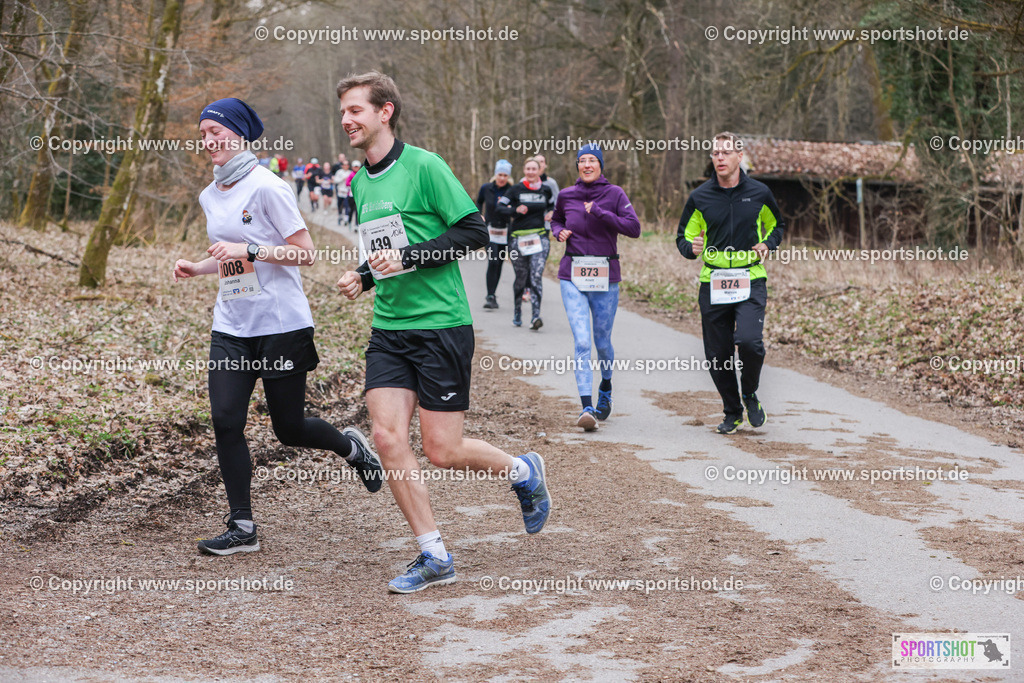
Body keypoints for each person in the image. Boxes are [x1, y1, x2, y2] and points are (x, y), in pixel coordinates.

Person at [333, 71, 551, 593]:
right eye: (342, 112)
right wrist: (362, 276)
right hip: (389, 327)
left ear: (385, 112)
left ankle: (523, 473)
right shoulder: (360, 181)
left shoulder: (424, 166)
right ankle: (433, 554)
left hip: (440, 325)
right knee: (386, 437)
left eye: (355, 111)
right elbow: (386, 250)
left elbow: (472, 230)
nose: (346, 120)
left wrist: (405, 257)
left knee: (442, 450)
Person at [172, 97, 383, 555]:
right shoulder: (210, 193)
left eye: (216, 132)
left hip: (281, 323)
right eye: (203, 133)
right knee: (226, 421)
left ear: (240, 135)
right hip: (232, 324)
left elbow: (305, 252)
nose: (208, 140)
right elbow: (227, 255)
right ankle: (242, 526)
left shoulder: (268, 186)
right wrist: (199, 266)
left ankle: (352, 449)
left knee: (288, 428)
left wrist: (251, 250)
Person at [676, 132, 784, 434]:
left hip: (750, 278)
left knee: (749, 342)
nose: (720, 158)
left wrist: (767, 244)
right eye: (715, 153)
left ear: (739, 156)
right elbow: (683, 237)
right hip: (714, 281)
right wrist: (691, 248)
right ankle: (732, 410)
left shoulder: (760, 193)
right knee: (717, 355)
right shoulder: (700, 197)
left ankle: (749, 393)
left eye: (726, 152)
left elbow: (777, 225)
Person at [551, 144, 640, 432]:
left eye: (592, 160)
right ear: (577, 166)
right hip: (572, 274)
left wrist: (601, 213)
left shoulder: (614, 194)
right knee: (582, 342)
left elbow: (634, 228)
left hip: (606, 276)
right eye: (582, 161)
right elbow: (556, 219)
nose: (587, 165)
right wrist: (558, 232)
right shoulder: (566, 195)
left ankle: (607, 387)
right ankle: (586, 406)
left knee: (602, 342)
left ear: (601, 165)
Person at [498, 157, 554, 329]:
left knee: (536, 276)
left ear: (539, 171)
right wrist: (515, 210)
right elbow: (499, 208)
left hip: (539, 237)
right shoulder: (515, 190)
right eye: (528, 168)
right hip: (518, 239)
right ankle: (517, 311)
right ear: (524, 170)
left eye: (534, 169)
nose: (531, 172)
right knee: (521, 278)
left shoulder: (546, 190)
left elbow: (552, 206)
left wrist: (551, 213)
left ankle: (535, 316)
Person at [476, 159, 513, 309]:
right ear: (495, 174)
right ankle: (490, 295)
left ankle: (493, 294)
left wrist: (511, 208)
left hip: (505, 231)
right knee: (493, 261)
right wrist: (479, 215)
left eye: (505, 175)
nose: (502, 178)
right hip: (490, 230)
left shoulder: (512, 189)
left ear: (508, 176)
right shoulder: (486, 188)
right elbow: (479, 202)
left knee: (499, 263)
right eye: (500, 174)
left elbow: (516, 207)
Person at [334, 159, 352, 226]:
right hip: (340, 191)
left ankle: (346, 219)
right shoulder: (339, 172)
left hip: (347, 191)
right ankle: (340, 215)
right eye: (344, 165)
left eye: (347, 165)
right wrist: (342, 179)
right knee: (339, 205)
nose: (345, 166)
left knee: (346, 205)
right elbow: (335, 180)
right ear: (342, 166)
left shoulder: (350, 172)